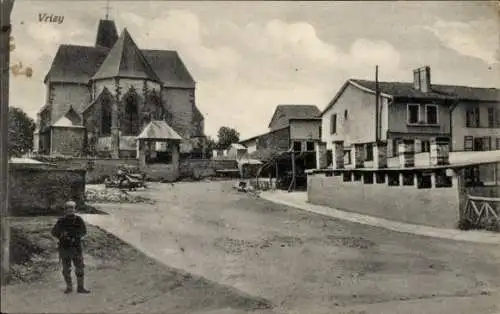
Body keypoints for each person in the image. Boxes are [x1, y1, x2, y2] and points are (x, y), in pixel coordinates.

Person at [51, 200, 90, 294]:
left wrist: (77, 237)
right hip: (65, 248)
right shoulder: (61, 221)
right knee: (66, 269)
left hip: (76, 248)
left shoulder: (78, 220)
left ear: (75, 209)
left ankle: (80, 287)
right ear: (65, 210)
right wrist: (62, 235)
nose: (70, 210)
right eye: (68, 208)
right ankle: (69, 287)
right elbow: (54, 232)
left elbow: (84, 231)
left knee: (79, 268)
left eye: (72, 208)